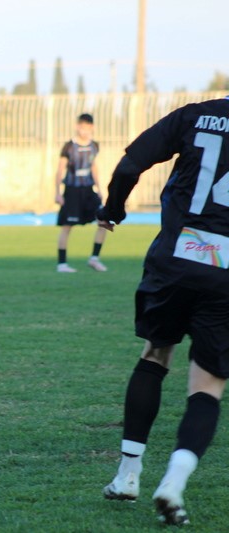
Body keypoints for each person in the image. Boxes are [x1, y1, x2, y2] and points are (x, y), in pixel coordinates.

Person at [100, 96, 229, 526]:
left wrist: (113, 209)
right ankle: (174, 481)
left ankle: (128, 475)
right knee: (207, 387)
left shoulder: (194, 114)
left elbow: (128, 165)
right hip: (224, 273)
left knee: (156, 355)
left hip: (174, 259)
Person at [54, 113, 107, 273]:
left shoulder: (94, 146)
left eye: (88, 128)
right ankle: (62, 264)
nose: (85, 131)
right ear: (78, 127)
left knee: (105, 222)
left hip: (89, 191)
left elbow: (94, 167)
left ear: (92, 128)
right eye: (82, 128)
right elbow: (59, 170)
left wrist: (99, 188)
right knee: (67, 227)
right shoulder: (69, 146)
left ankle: (94, 258)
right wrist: (57, 193)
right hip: (72, 191)